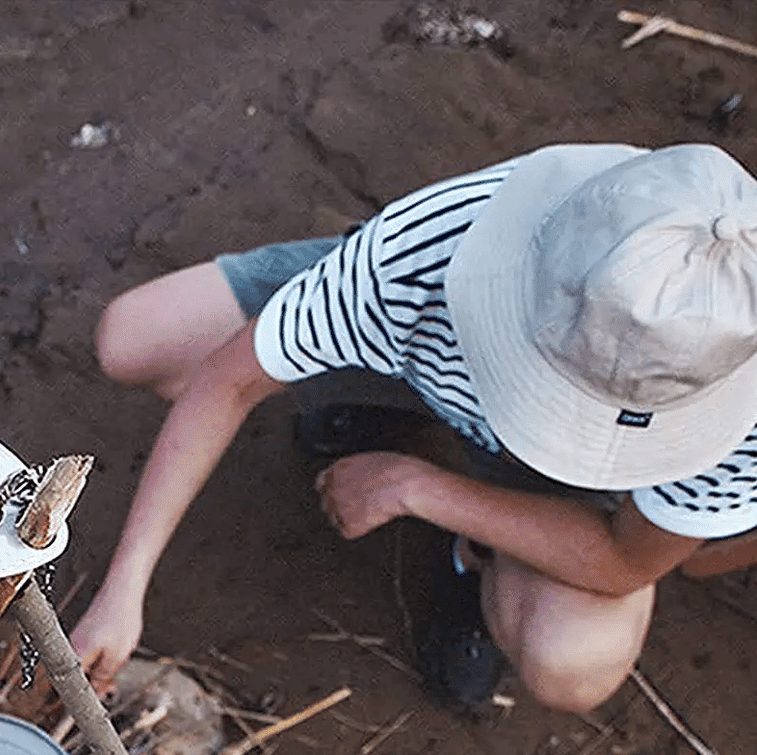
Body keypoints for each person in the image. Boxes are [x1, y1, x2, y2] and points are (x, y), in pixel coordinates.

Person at [69, 142, 757, 714]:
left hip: (555, 484)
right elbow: (229, 379)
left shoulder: (739, 383)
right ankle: (382, 393)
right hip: (419, 352)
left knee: (572, 662)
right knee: (138, 342)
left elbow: (629, 559)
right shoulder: (442, 241)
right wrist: (124, 586)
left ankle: (474, 555)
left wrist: (418, 488)